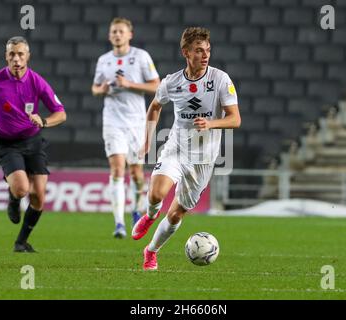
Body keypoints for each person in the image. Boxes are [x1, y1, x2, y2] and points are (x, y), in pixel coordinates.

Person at [132, 27, 241, 270]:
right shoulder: (172, 82)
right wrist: (148, 139)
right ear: (186, 52)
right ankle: (149, 216)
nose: (205, 56)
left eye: (208, 51)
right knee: (156, 195)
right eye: (199, 51)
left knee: (175, 215)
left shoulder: (220, 79)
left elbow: (235, 119)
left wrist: (212, 123)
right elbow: (155, 106)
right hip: (177, 149)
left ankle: (151, 251)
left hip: (203, 160)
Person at [0, 36, 67, 253]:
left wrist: (45, 121)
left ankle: (21, 242)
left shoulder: (37, 81)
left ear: (28, 56)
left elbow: (61, 113)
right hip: (9, 144)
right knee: (21, 189)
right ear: (6, 56)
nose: (16, 59)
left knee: (39, 197)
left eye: (20, 54)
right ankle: (13, 198)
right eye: (12, 54)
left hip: (34, 141)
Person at [91, 17, 160, 238]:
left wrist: (129, 84)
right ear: (109, 35)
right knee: (117, 169)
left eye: (121, 31)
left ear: (130, 34)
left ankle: (137, 206)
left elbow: (156, 85)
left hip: (136, 122)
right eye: (113, 31)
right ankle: (119, 223)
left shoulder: (140, 57)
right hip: (112, 121)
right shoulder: (104, 60)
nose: (117, 35)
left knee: (136, 172)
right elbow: (94, 88)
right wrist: (101, 89)